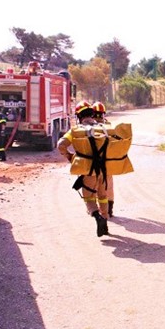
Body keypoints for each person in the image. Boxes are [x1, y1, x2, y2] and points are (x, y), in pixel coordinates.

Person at [58, 101, 109, 237]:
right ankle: (105, 221)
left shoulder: (76, 130)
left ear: (79, 116)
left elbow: (60, 145)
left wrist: (70, 157)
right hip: (104, 170)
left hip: (88, 171)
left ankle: (98, 218)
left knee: (89, 197)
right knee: (103, 196)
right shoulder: (103, 127)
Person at [92, 101, 115, 217]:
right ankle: (109, 210)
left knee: (96, 187)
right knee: (109, 186)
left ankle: (97, 210)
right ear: (103, 114)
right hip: (108, 162)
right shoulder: (109, 126)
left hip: (94, 163)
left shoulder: (90, 127)